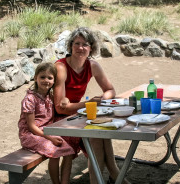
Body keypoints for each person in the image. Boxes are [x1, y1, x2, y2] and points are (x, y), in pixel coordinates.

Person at [53, 27, 129, 184]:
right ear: (70, 46)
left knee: (102, 129)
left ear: (91, 48)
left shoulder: (92, 65)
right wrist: (88, 104)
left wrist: (101, 98)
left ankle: (111, 175)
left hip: (76, 113)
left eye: (85, 44)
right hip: (59, 118)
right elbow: (59, 107)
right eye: (77, 43)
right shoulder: (61, 67)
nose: (81, 48)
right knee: (96, 135)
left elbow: (110, 90)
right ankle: (108, 177)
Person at [18, 62, 77, 184]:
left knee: (69, 151)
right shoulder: (30, 99)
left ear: (54, 80)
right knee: (55, 152)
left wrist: (65, 99)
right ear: (35, 78)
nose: (46, 80)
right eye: (42, 77)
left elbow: (63, 101)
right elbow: (31, 126)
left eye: (50, 78)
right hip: (30, 135)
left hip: (47, 132)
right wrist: (50, 138)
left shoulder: (50, 96)